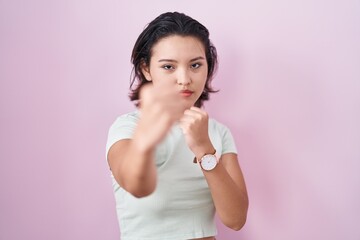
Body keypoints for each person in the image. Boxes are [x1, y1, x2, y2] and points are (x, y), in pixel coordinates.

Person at [106, 12, 248, 240]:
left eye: (195, 65)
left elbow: (236, 219)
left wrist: (204, 149)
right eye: (168, 67)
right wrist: (144, 143)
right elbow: (136, 186)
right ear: (146, 69)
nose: (184, 78)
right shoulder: (127, 129)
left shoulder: (219, 133)